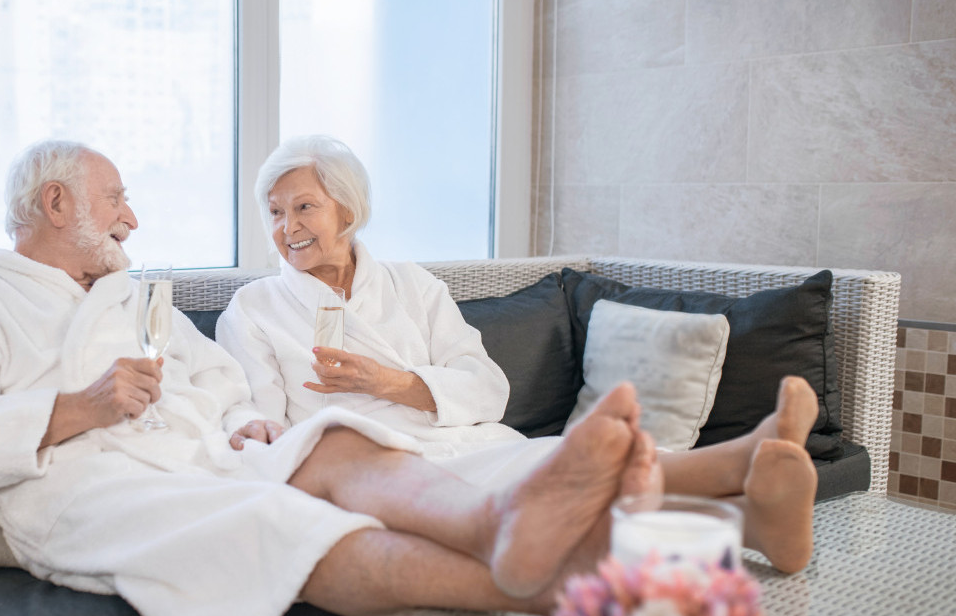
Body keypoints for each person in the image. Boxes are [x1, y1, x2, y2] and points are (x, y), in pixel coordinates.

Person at [0, 139, 658, 616]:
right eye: (115, 198)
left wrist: (240, 421)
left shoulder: (134, 296)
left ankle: (497, 526)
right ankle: (543, 583)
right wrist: (78, 408)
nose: (131, 217)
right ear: (57, 203)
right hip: (85, 488)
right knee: (285, 520)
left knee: (328, 438)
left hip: (197, 460)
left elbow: (217, 380)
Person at [216, 134, 820, 576]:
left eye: (303, 207)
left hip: (467, 441)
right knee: (557, 470)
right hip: (386, 472)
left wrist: (392, 383)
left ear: (347, 209)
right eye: (274, 211)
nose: (286, 227)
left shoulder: (412, 285)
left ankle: (753, 510)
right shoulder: (254, 310)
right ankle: (745, 473)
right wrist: (250, 425)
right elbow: (258, 419)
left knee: (551, 461)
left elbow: (487, 386)